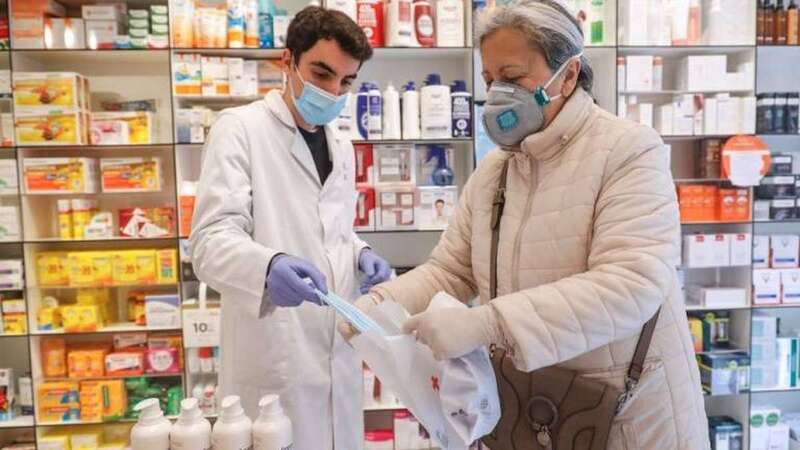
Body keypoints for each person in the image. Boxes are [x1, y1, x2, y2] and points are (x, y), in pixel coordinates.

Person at [344, 1, 709, 447]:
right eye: (489, 79)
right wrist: (377, 304)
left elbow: (632, 282)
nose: (498, 92)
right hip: (533, 407)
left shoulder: (628, 151)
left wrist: (490, 323)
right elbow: (451, 270)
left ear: (568, 75)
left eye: (513, 78)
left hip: (627, 414)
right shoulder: (496, 170)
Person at [190, 7, 392, 449]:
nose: (332, 91)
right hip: (275, 360)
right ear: (287, 61)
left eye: (345, 82)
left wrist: (359, 253)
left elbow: (330, 230)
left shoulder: (341, 143)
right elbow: (208, 242)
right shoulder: (240, 130)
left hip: (336, 354)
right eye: (321, 73)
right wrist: (267, 267)